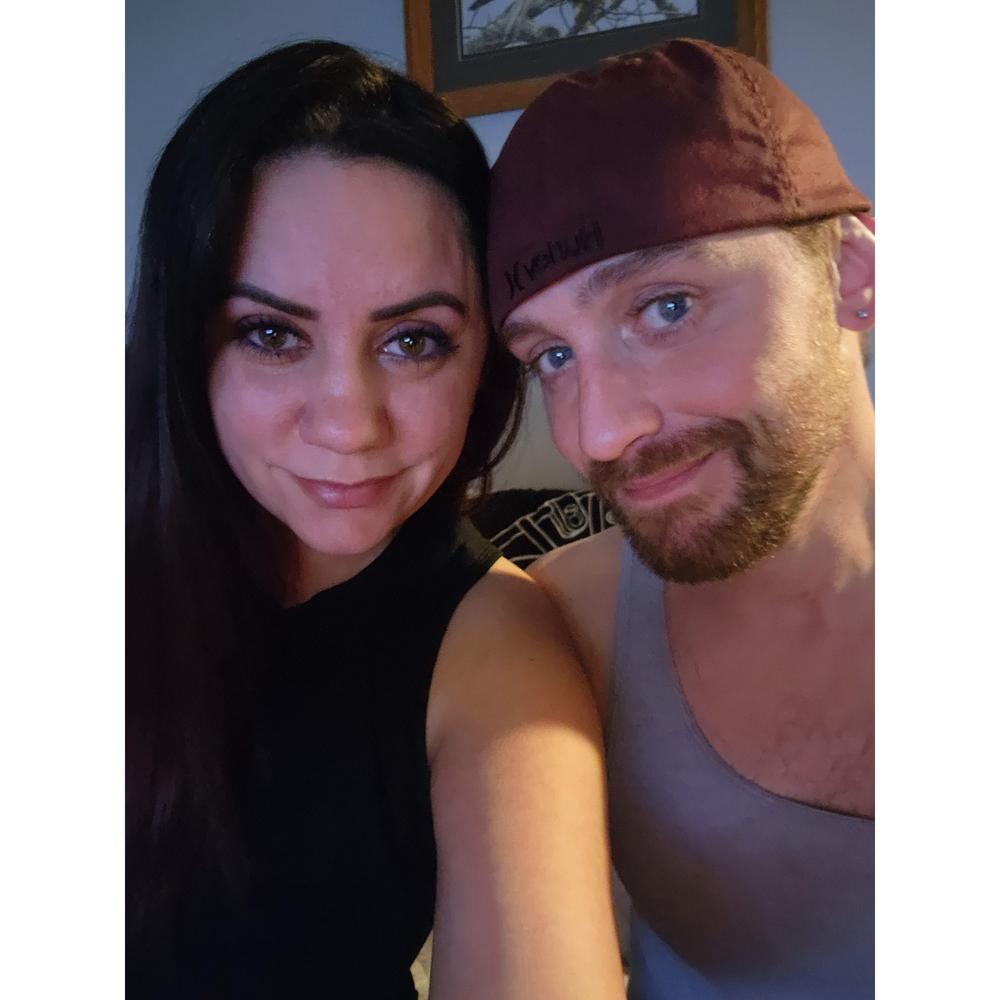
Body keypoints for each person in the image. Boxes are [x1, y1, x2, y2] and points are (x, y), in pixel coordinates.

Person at [126, 40, 626, 1000]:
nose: (350, 424)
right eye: (271, 334)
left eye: (414, 341)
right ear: (186, 344)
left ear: (485, 358)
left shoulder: (493, 649)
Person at [487, 38, 875, 999]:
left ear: (853, 275)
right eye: (551, 359)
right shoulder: (560, 624)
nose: (599, 433)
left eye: (665, 308)